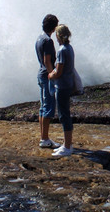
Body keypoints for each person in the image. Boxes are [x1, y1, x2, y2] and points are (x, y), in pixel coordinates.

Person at [48, 24, 75, 157]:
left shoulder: (62, 50)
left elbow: (58, 72)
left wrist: (50, 75)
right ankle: (67, 144)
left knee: (64, 116)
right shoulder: (69, 48)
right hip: (67, 84)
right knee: (65, 114)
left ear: (59, 35)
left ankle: (68, 147)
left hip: (62, 86)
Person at [35, 14, 61, 149]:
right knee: (48, 108)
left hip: (41, 75)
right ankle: (44, 139)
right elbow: (47, 61)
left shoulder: (39, 38)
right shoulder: (48, 41)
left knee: (42, 108)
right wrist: (53, 75)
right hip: (46, 76)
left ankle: (43, 137)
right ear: (54, 27)